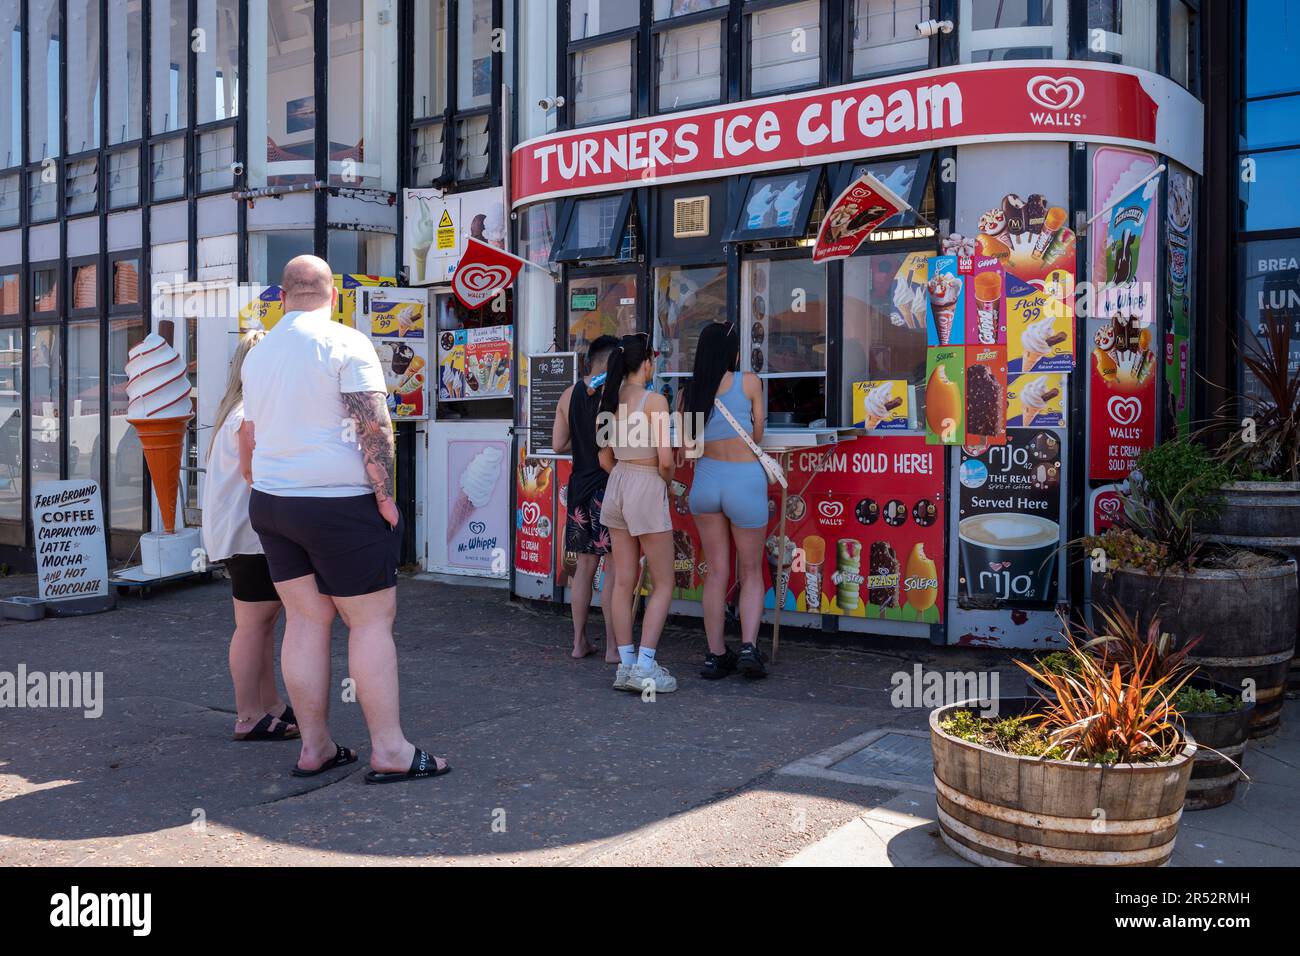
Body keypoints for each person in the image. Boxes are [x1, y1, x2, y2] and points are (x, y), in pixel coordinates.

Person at [240, 255, 448, 783]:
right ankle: (391, 750)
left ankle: (315, 747)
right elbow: (375, 425)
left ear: (281, 298)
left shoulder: (258, 356)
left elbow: (253, 433)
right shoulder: (347, 342)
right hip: (337, 503)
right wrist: (385, 497)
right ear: (333, 297)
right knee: (371, 622)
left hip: (272, 501)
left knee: (306, 621)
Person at [202, 330, 297, 741]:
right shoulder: (248, 417)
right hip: (251, 535)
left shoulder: (232, 411)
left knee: (259, 623)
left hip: (236, 534)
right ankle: (247, 715)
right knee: (253, 625)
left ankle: (268, 705)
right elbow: (260, 475)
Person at [682, 321, 768, 680]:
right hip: (743, 481)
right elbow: (758, 432)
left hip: (706, 482)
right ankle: (748, 648)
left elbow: (689, 446)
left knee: (716, 573)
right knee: (750, 571)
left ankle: (715, 654)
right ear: (733, 352)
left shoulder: (689, 391)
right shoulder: (749, 382)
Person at [597, 332, 677, 693]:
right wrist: (669, 479)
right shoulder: (655, 401)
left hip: (617, 483)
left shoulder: (608, 398)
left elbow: (604, 457)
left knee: (623, 580)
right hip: (645, 482)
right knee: (663, 582)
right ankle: (646, 664)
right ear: (645, 363)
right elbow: (664, 460)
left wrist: (625, 478)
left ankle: (626, 665)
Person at [552, 334, 619, 661]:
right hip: (608, 488)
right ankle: (611, 647)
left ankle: (578, 643)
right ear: (610, 362)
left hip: (578, 487)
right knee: (614, 569)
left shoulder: (568, 394)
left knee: (584, 570)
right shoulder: (616, 394)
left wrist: (581, 442)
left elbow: (557, 444)